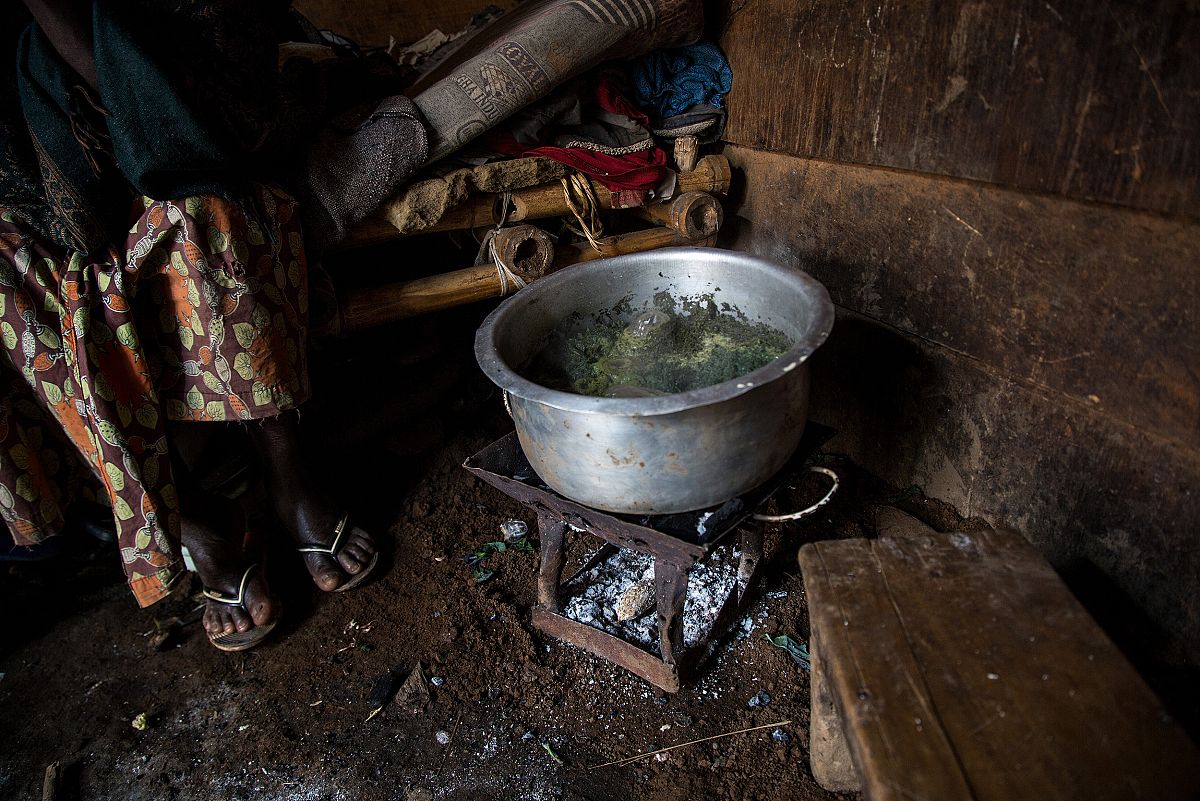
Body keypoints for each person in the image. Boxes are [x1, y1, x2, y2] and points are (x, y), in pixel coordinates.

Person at [0, 0, 400, 650]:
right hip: (19, 149)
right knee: (12, 294)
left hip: (122, 80)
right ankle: (195, 520)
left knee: (199, 208)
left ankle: (287, 474)